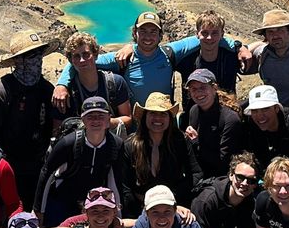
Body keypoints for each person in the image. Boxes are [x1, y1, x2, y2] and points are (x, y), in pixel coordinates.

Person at [53, 11, 221, 112]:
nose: (148, 36)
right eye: (143, 31)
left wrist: (237, 46)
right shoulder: (122, 57)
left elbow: (206, 37)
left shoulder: (170, 52)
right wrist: (62, 85)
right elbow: (83, 61)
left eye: (153, 31)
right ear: (135, 33)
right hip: (134, 129)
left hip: (163, 123)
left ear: (160, 35)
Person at [0, 29, 57, 209]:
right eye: (31, 55)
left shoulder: (47, 90)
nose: (37, 60)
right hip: (8, 172)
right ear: (17, 61)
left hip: (39, 170)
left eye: (39, 54)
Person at [34, 97, 125, 227]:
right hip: (62, 199)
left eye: (101, 116)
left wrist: (118, 215)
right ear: (83, 120)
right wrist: (39, 211)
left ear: (108, 120)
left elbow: (115, 181)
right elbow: (46, 174)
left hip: (94, 204)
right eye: (90, 116)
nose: (96, 120)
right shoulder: (68, 143)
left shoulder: (116, 145)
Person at [121, 92, 203, 217]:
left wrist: (171, 200)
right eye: (153, 113)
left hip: (175, 206)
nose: (158, 118)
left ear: (170, 118)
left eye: (163, 114)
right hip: (139, 210)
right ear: (145, 117)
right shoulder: (130, 145)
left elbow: (196, 173)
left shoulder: (180, 141)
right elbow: (125, 186)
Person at [54, 31, 132, 135]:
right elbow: (57, 130)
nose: (82, 60)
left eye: (86, 54)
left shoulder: (115, 82)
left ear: (95, 55)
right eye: (76, 56)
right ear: (71, 60)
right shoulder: (64, 94)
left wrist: (107, 123)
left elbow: (128, 119)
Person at [173, 10, 244, 113]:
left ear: (222, 34)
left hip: (226, 117)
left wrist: (242, 47)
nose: (209, 38)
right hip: (192, 119)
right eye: (205, 33)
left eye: (215, 33)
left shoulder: (233, 58)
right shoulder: (186, 60)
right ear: (197, 34)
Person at [183, 69, 243, 178]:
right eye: (194, 89)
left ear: (214, 88)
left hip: (223, 176)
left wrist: (196, 143)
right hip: (200, 172)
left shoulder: (230, 119)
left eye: (202, 87)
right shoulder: (194, 111)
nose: (198, 92)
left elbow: (224, 161)